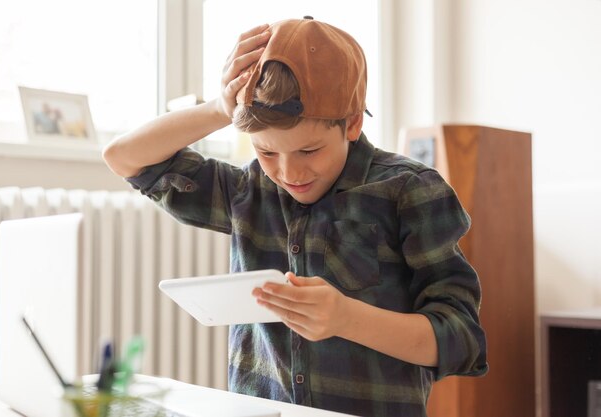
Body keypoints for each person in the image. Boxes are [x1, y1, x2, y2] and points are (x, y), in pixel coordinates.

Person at [103, 17, 488, 417]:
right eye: (267, 153)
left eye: (309, 151)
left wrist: (345, 318)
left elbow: (462, 341)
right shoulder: (248, 191)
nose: (289, 174)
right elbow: (124, 157)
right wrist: (220, 109)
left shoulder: (409, 190)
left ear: (352, 122)